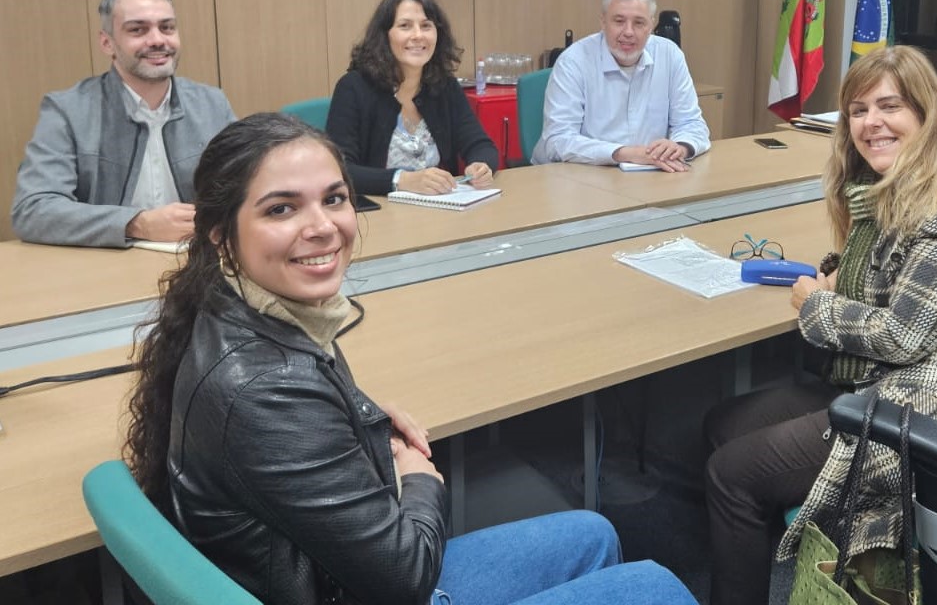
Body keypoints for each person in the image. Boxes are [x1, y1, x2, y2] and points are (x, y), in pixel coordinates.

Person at [123, 112, 696, 605]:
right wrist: (420, 477)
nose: (322, 227)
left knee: (592, 532)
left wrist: (359, 418)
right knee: (652, 585)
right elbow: (407, 577)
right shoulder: (264, 389)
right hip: (368, 588)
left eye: (334, 199)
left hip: (327, 574)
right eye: (281, 209)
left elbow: (304, 408)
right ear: (222, 234)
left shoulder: (244, 307)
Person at [702, 47, 937, 605]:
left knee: (731, 473)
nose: (871, 123)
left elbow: (902, 335)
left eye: (889, 106)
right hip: (885, 381)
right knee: (725, 423)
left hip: (930, 407)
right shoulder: (893, 190)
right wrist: (843, 273)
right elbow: (902, 273)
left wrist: (818, 306)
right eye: (858, 110)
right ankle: (793, 570)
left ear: (925, 113)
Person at [11, 0, 235, 248]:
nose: (157, 40)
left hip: (201, 263)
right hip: (107, 269)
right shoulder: (68, 111)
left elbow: (248, 189)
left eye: (167, 27)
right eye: (137, 30)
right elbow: (33, 210)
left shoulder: (212, 103)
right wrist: (137, 223)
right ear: (107, 43)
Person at [326, 0, 498, 196]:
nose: (418, 35)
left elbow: (480, 144)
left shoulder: (444, 86)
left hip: (442, 211)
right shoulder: (353, 88)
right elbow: (340, 169)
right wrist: (402, 180)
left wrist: (481, 166)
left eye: (426, 26)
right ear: (385, 35)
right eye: (405, 26)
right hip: (379, 214)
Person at [530, 0, 710, 171]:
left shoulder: (669, 55)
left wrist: (680, 147)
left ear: (651, 25)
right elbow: (558, 140)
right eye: (619, 21)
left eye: (639, 23)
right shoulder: (573, 62)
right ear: (603, 22)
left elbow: (691, 123)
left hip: (649, 173)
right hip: (576, 175)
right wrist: (624, 153)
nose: (628, 32)